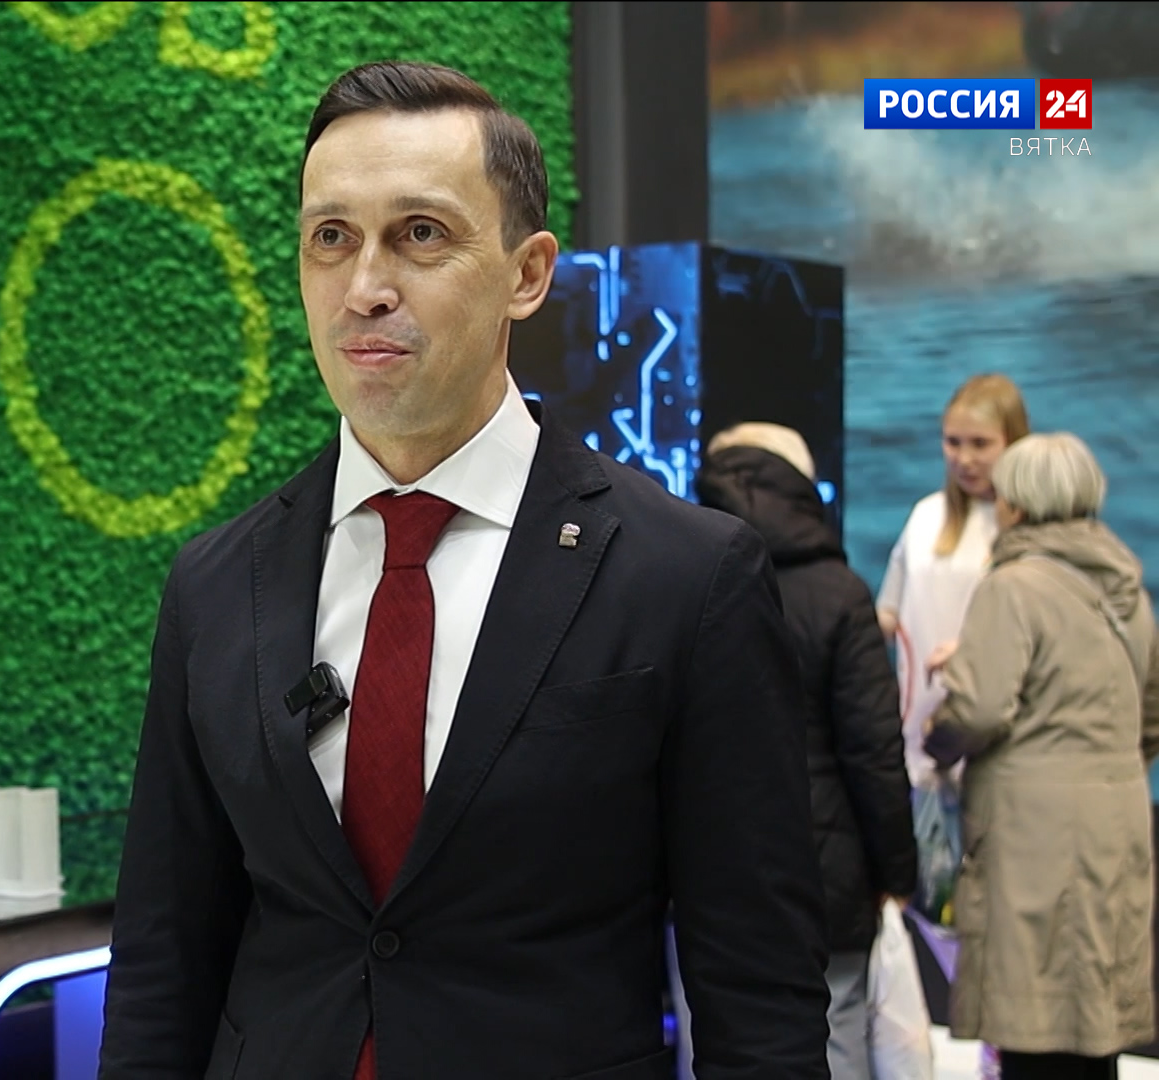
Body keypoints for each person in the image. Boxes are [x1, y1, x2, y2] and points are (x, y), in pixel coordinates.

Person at [97, 60, 831, 1080]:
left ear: (527, 275)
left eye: (420, 234)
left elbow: (759, 994)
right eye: (331, 238)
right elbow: (163, 959)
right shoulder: (220, 583)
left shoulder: (685, 577)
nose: (366, 288)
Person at [924, 433, 1159, 1080]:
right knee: (1093, 1027)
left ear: (1018, 503)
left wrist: (934, 740)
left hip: (1033, 836)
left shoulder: (1013, 586)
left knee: (1035, 1027)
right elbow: (1150, 714)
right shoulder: (1128, 591)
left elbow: (978, 710)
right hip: (1119, 821)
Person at [694, 423, 919, 1080]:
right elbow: (873, 751)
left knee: (708, 1036)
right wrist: (896, 874)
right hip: (828, 872)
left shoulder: (679, 579)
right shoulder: (839, 592)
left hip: (701, 868)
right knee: (835, 1034)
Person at [878, 373, 1031, 788]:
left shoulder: (1030, 531)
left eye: (980, 444)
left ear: (1014, 443)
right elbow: (887, 615)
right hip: (919, 739)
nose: (964, 459)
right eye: (953, 442)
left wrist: (971, 653)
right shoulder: (926, 516)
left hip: (996, 747)